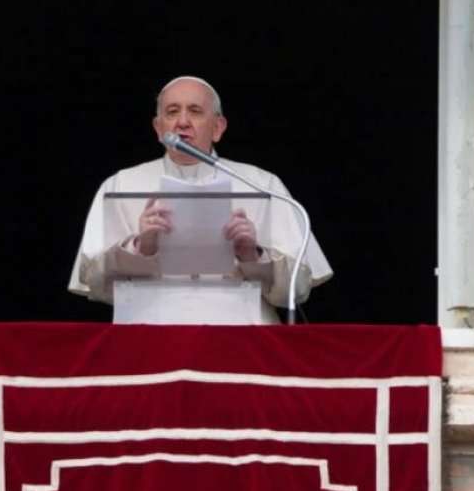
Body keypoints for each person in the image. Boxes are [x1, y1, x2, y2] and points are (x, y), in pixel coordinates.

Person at [68, 76, 332, 322]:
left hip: (243, 337)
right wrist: (141, 247)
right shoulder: (120, 184)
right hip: (148, 334)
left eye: (195, 111)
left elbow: (297, 289)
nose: (182, 121)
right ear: (158, 128)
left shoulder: (262, 184)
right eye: (172, 112)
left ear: (218, 127)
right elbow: (94, 284)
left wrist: (252, 254)